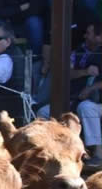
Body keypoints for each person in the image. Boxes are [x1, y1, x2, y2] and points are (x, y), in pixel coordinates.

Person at [37, 20, 102, 166]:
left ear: (99, 37)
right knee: (43, 112)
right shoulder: (79, 51)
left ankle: (98, 154)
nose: (85, 36)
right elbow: (67, 73)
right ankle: (47, 153)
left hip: (97, 103)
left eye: (89, 34)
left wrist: (91, 88)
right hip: (75, 99)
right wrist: (85, 72)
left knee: (86, 107)